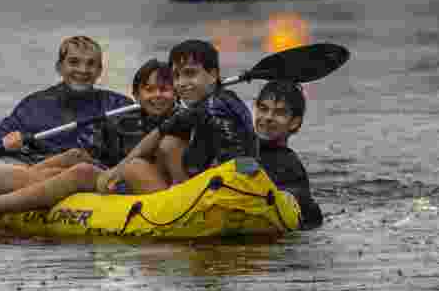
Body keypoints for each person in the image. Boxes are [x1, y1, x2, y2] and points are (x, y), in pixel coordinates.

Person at [0, 59, 176, 232]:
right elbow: (99, 153)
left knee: (81, 171)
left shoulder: (180, 118)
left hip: (140, 187)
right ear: (137, 94)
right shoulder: (126, 118)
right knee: (72, 157)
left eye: (164, 89)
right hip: (115, 175)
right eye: (149, 90)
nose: (157, 96)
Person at [96, 39, 257, 194]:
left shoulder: (220, 105)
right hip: (211, 180)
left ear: (213, 75)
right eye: (177, 76)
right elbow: (160, 131)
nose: (181, 82)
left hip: (234, 184)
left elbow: (239, 156)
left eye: (190, 73)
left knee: (135, 167)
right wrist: (119, 168)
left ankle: (176, 205)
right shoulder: (197, 108)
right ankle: (179, 193)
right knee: (168, 143)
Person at [0, 35, 134, 165]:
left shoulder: (120, 105)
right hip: (39, 175)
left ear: (99, 70)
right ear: (59, 67)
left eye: (90, 64)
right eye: (74, 62)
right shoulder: (33, 106)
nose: (83, 70)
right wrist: (7, 141)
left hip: (94, 179)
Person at [252, 80, 323, 229]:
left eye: (279, 113)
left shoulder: (291, 168)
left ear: (294, 123)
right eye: (263, 109)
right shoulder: (235, 146)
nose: (268, 117)